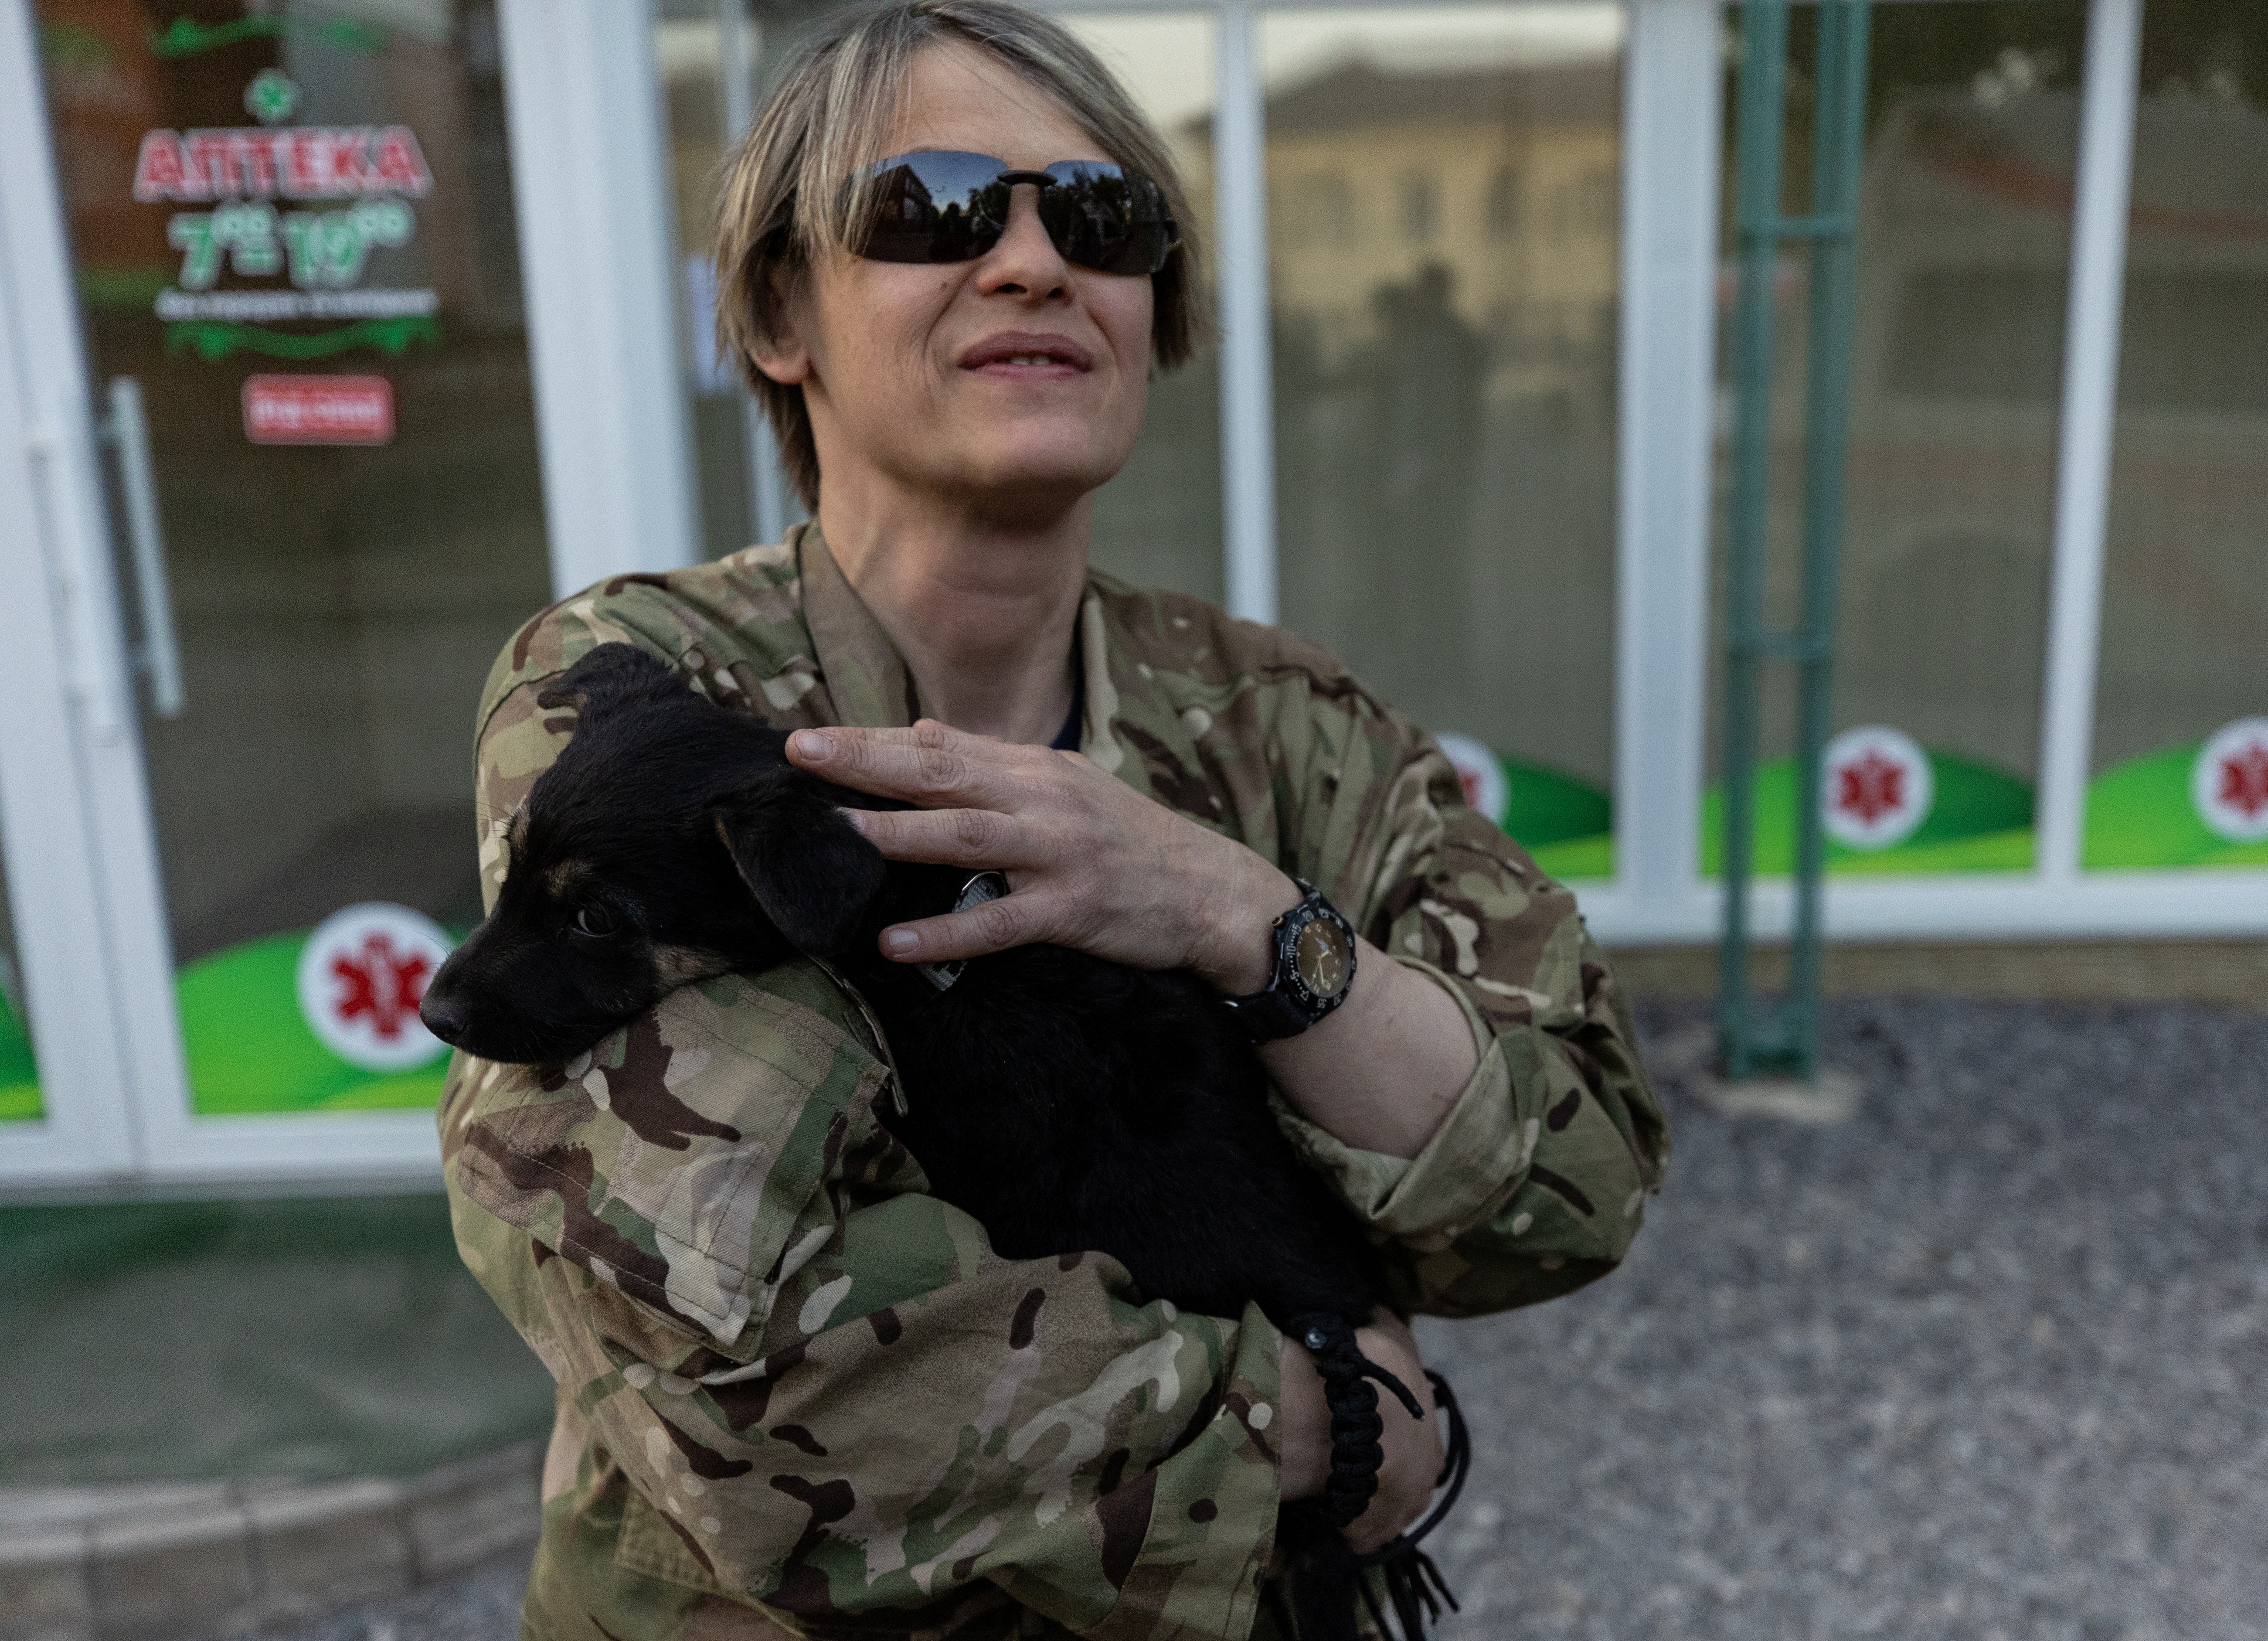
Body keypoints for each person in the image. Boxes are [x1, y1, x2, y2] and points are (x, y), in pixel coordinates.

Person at [437, 4, 1666, 1636]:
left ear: (1153, 312)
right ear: (780, 314)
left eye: (1103, 220)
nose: (1034, 263)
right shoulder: (640, 695)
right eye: (934, 210)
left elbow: (1572, 1177)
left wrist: (1243, 920)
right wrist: (1321, 1416)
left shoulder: (1283, 722)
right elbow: (751, 1366)